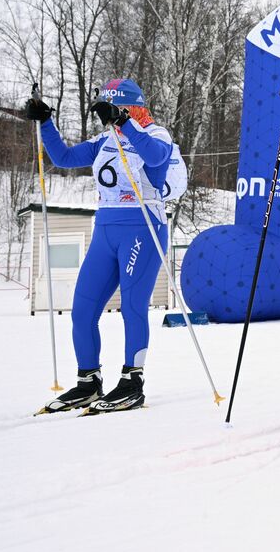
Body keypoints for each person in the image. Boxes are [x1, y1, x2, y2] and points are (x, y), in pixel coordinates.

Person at [27, 79, 182, 414]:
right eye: (107, 111)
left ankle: (132, 380)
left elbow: (156, 158)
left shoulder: (157, 135)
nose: (109, 118)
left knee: (133, 306)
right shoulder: (104, 141)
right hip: (106, 229)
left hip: (142, 226)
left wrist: (126, 123)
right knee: (82, 309)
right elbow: (64, 157)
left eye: (116, 110)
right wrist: (46, 122)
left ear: (132, 107)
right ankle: (88, 380)